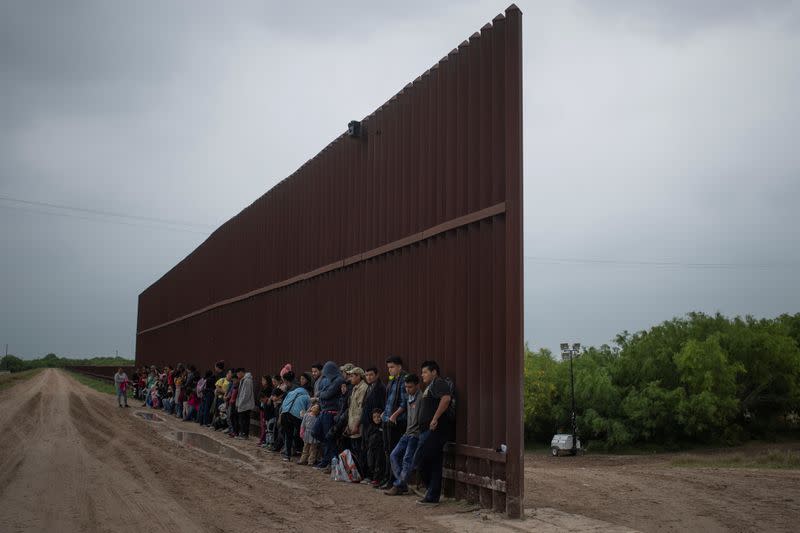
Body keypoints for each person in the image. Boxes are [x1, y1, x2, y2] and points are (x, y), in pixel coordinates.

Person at [412, 360, 453, 505]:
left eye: (425, 372)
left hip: (434, 431)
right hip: (426, 431)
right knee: (434, 463)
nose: (422, 375)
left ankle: (431, 493)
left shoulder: (439, 383)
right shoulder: (430, 386)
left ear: (434, 372)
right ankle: (432, 495)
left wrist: (435, 418)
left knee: (421, 460)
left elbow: (446, 399)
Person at [385, 373, 421, 495]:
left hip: (415, 434)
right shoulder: (408, 397)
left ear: (417, 385)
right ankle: (402, 483)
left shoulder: (421, 398)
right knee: (393, 455)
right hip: (407, 432)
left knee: (407, 460)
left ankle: (399, 485)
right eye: (406, 387)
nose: (407, 389)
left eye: (410, 387)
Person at [376, 355, 408, 489]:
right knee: (387, 450)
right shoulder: (393, 380)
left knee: (394, 452)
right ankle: (388, 478)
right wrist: (384, 413)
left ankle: (395, 480)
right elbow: (389, 400)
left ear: (400, 366)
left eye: (392, 367)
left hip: (397, 422)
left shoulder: (404, 380)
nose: (390, 370)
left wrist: (394, 416)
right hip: (388, 419)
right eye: (388, 367)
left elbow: (404, 402)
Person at [313, 361, 344, 470]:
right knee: (315, 432)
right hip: (324, 411)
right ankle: (328, 459)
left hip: (331, 412)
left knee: (329, 438)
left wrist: (320, 395)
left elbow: (326, 394)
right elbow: (323, 392)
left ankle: (330, 461)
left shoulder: (338, 380)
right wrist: (321, 394)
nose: (325, 375)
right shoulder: (330, 380)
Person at [360, 367, 386, 482]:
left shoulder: (380, 388)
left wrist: (376, 424)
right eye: (366, 375)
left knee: (375, 453)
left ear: (377, 375)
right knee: (367, 450)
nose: (368, 377)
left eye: (371, 375)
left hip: (375, 425)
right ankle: (368, 475)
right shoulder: (369, 387)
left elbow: (380, 407)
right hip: (367, 425)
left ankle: (375, 477)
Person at [280, 371, 310, 461]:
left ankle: (287, 455)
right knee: (302, 434)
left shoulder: (291, 392)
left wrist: (281, 414)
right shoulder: (306, 395)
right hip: (296, 415)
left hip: (285, 413)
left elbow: (283, 404)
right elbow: (308, 408)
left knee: (288, 435)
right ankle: (302, 453)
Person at [344, 367, 368, 471]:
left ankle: (362, 472)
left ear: (359, 376)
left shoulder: (363, 388)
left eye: (352, 376)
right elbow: (351, 409)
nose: (350, 378)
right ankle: (357, 472)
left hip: (358, 426)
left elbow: (360, 409)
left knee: (360, 451)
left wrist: (356, 425)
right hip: (352, 424)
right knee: (355, 450)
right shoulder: (355, 388)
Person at [364, 408, 385, 486]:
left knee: (378, 464)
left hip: (379, 449)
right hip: (371, 448)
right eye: (374, 417)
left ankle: (377, 479)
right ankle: (372, 477)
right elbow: (367, 438)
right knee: (371, 463)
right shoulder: (370, 427)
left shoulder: (383, 427)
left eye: (378, 417)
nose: (376, 419)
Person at [236, 368, 255, 439]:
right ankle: (242, 433)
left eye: (238, 373)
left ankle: (245, 434)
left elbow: (246, 393)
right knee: (242, 420)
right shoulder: (243, 380)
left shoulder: (247, 380)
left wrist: (241, 403)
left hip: (245, 404)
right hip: (243, 404)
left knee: (244, 420)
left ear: (241, 372)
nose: (237, 375)